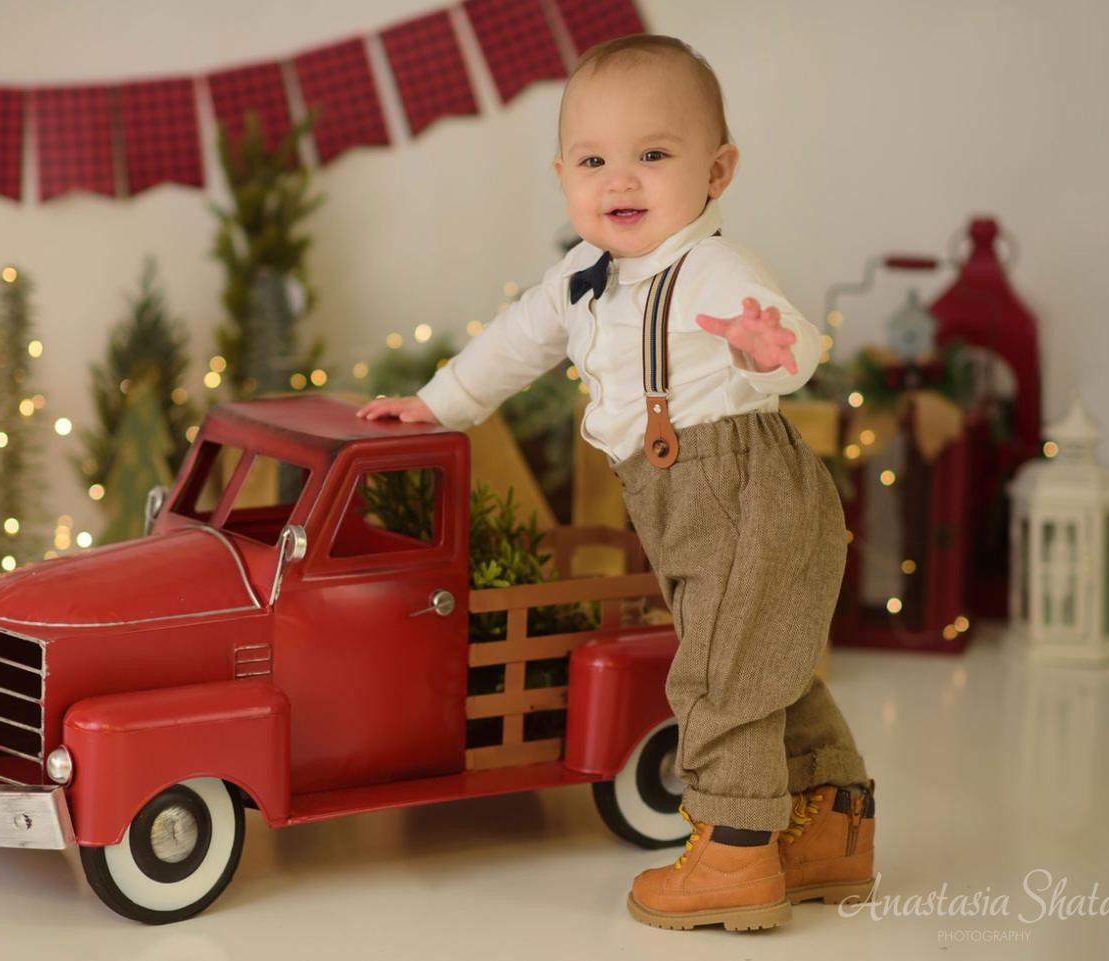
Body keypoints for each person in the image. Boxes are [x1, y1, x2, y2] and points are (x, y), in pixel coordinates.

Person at [357, 34, 875, 932]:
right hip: (677, 495)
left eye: (653, 155)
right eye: (595, 160)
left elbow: (788, 337)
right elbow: (516, 340)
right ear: (562, 174)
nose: (621, 181)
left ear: (717, 171)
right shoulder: (583, 278)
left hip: (742, 483)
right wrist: (438, 405)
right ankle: (830, 829)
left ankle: (736, 852)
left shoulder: (713, 265)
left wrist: (772, 345)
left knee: (720, 671)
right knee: (768, 658)